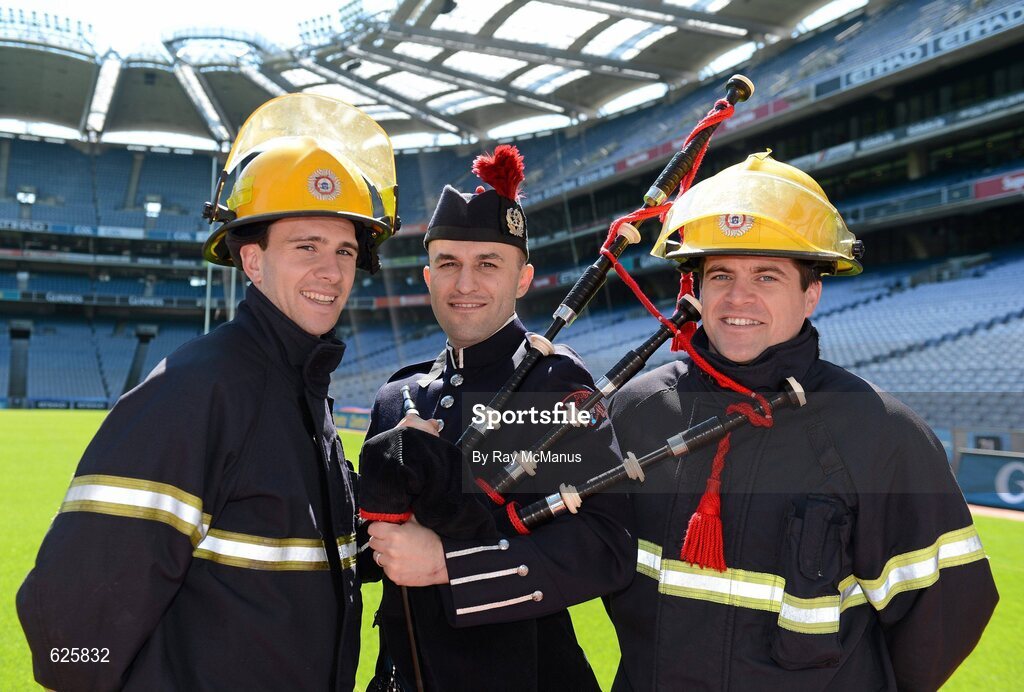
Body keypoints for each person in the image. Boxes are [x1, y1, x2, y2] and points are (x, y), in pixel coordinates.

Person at [16, 94, 400, 691]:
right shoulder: (196, 390)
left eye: (345, 250)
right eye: (306, 247)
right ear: (252, 260)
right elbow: (71, 630)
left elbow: (301, 563)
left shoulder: (306, 396)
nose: (331, 271)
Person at [606, 151, 999, 691]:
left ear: (811, 293)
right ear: (695, 290)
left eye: (766, 276)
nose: (737, 297)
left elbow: (949, 610)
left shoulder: (880, 431)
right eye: (720, 274)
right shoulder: (635, 410)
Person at [360, 145, 634, 691]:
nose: (465, 285)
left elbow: (606, 545)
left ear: (523, 278)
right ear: (427, 275)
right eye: (449, 264)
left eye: (488, 265)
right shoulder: (399, 396)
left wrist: (447, 566)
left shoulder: (553, 385)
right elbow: (367, 555)